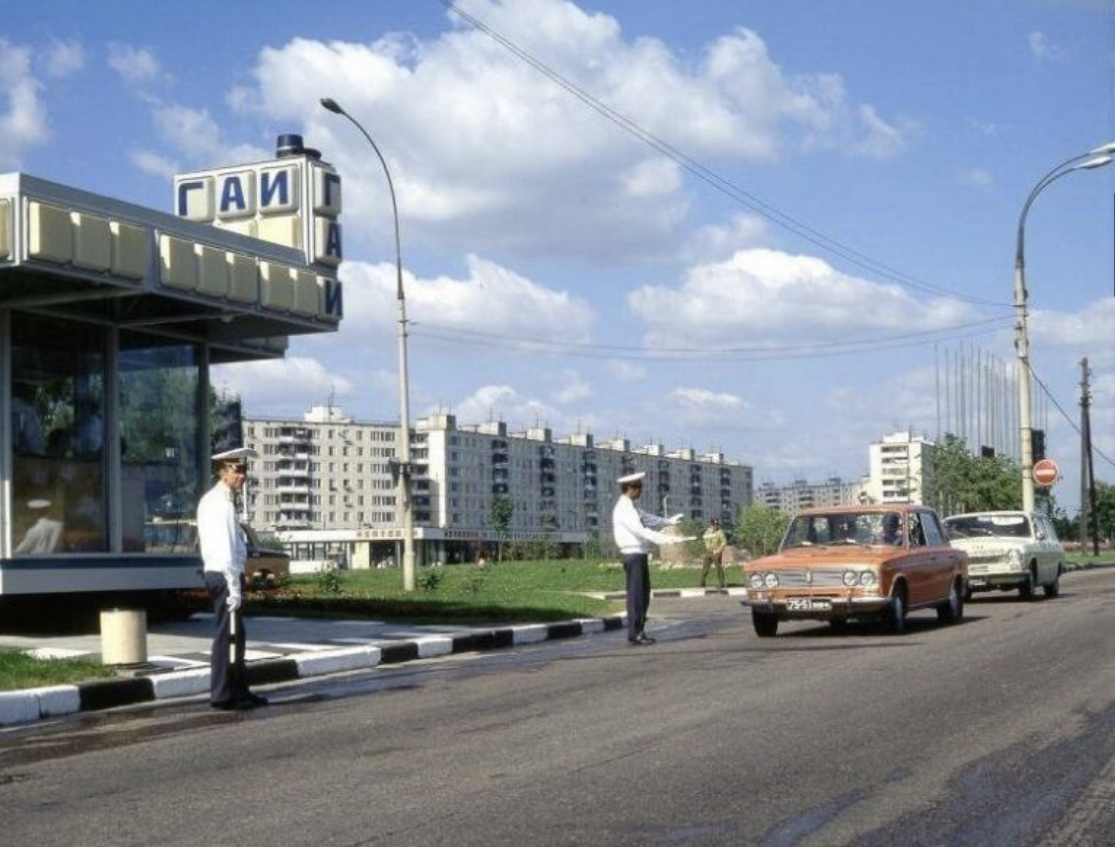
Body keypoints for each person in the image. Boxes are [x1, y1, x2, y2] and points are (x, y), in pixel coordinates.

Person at [198, 446, 268, 710]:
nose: (242, 476)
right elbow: (223, 547)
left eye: (244, 470)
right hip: (224, 574)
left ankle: (239, 689)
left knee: (237, 635)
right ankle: (223, 693)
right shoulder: (217, 503)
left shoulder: (226, 500)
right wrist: (233, 585)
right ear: (223, 471)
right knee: (226, 636)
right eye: (236, 470)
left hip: (229, 575)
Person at [611, 471, 693, 646]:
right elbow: (642, 530)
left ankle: (639, 630)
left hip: (639, 555)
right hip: (633, 554)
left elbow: (649, 520)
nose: (642, 490)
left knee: (643, 595)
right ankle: (635, 633)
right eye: (639, 487)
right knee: (637, 596)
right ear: (630, 488)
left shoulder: (632, 507)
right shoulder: (624, 509)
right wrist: (668, 539)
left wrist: (668, 522)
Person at [700, 518, 727, 589]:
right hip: (709, 551)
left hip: (716, 552)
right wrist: (707, 547)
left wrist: (718, 550)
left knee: (718, 567)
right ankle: (702, 582)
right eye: (713, 525)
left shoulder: (720, 532)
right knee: (705, 567)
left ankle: (721, 583)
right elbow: (704, 538)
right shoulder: (708, 531)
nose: (715, 526)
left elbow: (724, 542)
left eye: (716, 525)